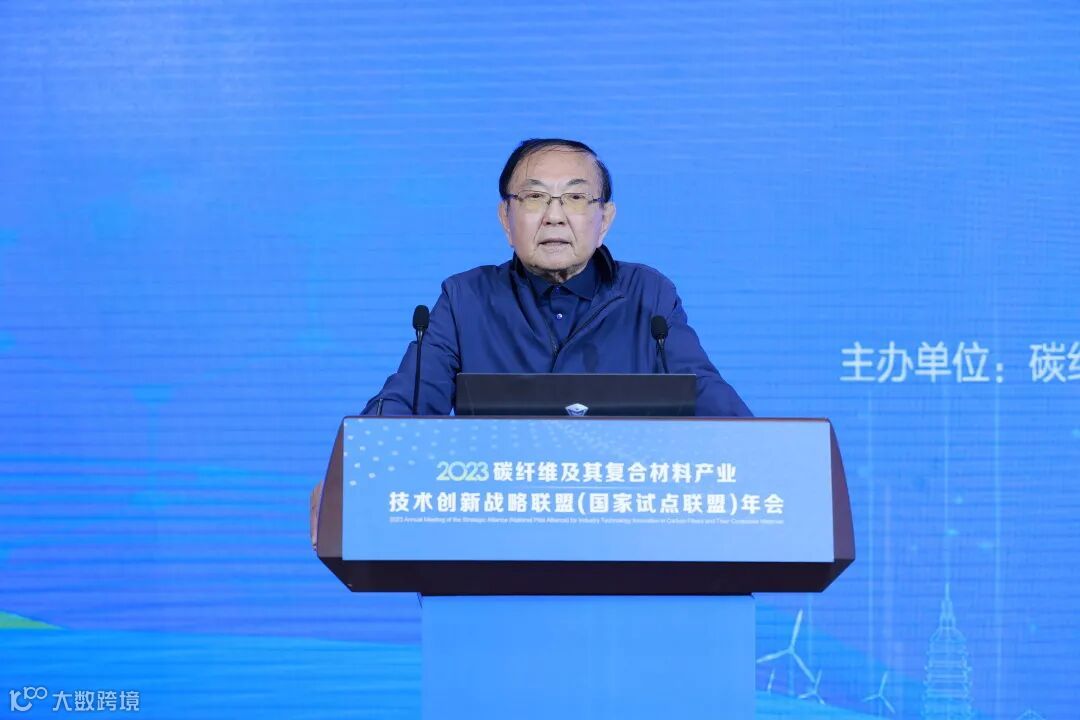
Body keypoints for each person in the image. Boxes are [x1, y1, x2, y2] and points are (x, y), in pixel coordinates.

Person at [362, 138, 751, 417]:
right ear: (506, 219)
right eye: (534, 197)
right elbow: (406, 401)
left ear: (605, 220)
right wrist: (359, 456)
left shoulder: (648, 296)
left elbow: (708, 398)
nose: (554, 216)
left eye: (575, 198)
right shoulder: (466, 299)